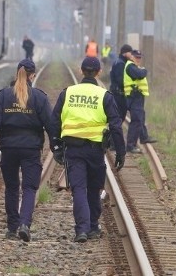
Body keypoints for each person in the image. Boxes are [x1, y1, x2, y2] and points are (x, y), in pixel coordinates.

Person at [0, 59, 55, 242]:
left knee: (11, 187)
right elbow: (51, 125)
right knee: (29, 188)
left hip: (9, 148)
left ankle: (12, 227)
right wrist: (57, 147)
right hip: (31, 149)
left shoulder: (3, 96)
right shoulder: (40, 97)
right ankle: (24, 224)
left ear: (17, 73)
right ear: (32, 76)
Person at [50, 56, 126, 243]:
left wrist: (56, 146)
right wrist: (121, 152)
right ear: (99, 72)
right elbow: (116, 126)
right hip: (95, 151)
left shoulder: (67, 93)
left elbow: (54, 121)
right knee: (94, 189)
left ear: (81, 71)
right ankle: (92, 226)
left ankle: (82, 230)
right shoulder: (104, 96)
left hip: (73, 150)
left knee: (78, 189)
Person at [110, 44, 157, 154]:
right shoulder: (122, 64)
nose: (132, 55)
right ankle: (116, 143)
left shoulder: (124, 63)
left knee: (138, 117)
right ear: (125, 53)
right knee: (124, 119)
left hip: (127, 95)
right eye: (130, 53)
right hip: (122, 95)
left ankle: (143, 136)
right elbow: (122, 80)